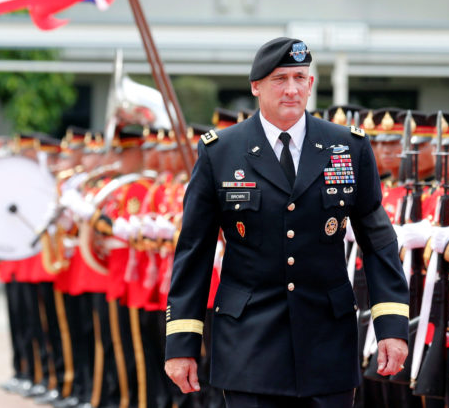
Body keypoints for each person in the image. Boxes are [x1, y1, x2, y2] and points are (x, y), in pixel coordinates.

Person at [164, 37, 409, 407]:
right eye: (279, 79)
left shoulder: (347, 146)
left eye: (300, 77)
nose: (292, 89)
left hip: (327, 340)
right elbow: (194, 252)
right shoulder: (222, 151)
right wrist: (181, 343)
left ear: (311, 84)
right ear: (256, 86)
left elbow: (378, 242)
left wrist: (391, 326)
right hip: (249, 340)